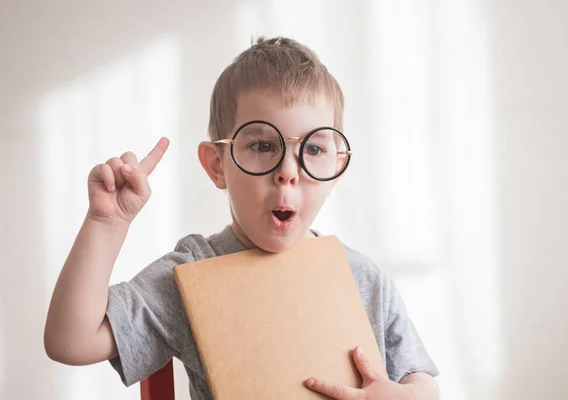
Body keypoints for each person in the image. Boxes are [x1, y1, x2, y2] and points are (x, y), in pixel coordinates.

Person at [44, 36, 440, 400]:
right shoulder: (191, 274)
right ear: (217, 165)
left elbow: (422, 383)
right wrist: (106, 224)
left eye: (314, 150)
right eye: (264, 145)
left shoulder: (363, 277)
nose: (289, 170)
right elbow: (71, 342)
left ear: (337, 167)